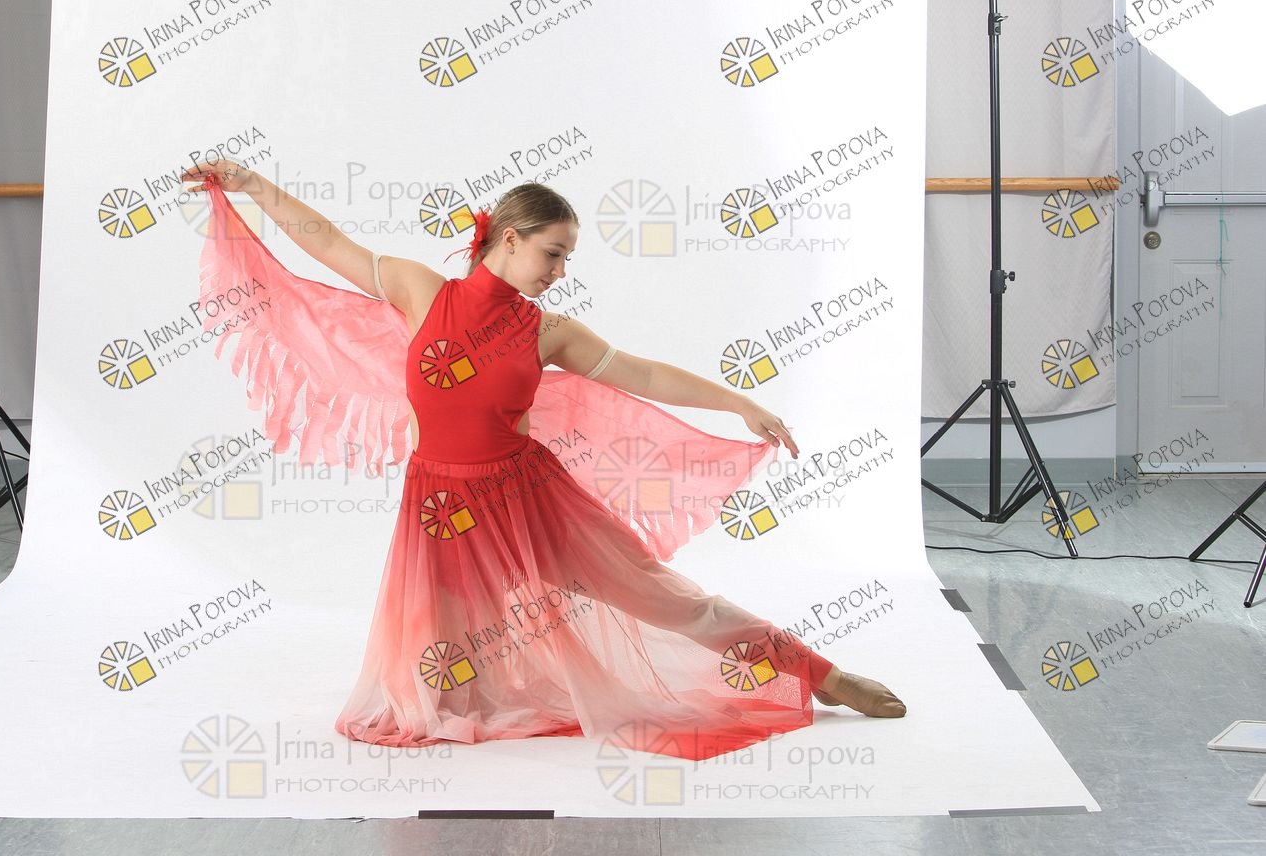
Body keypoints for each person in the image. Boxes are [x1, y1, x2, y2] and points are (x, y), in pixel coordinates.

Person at [182, 160, 904, 762]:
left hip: (526, 498)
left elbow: (643, 374)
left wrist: (737, 402)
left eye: (566, 258)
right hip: (440, 504)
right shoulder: (420, 290)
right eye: (552, 253)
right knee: (443, 666)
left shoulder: (546, 331)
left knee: (669, 601)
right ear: (509, 238)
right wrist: (251, 184)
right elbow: (328, 245)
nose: (559, 271)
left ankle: (823, 674)